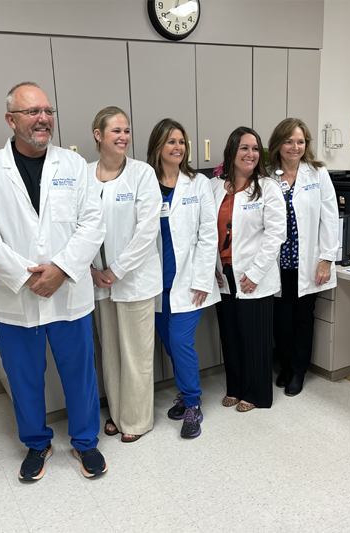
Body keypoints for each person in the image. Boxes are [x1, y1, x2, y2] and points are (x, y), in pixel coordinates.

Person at [0, 82, 107, 480]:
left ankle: (85, 443)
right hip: (16, 296)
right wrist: (21, 276)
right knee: (24, 377)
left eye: (48, 111)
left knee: (80, 373)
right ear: (11, 119)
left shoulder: (74, 166)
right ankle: (37, 444)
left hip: (68, 293)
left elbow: (93, 223)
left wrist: (61, 269)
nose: (43, 119)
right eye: (32, 112)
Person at [89, 106, 162, 443]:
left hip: (132, 280)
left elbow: (147, 230)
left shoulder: (142, 174)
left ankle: (137, 420)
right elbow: (79, 228)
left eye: (127, 130)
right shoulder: (85, 175)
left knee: (135, 354)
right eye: (116, 130)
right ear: (98, 135)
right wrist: (91, 270)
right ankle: (118, 414)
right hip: (98, 283)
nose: (123, 137)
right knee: (111, 353)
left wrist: (116, 270)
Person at [147, 119, 220, 438]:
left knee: (180, 341)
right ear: (158, 147)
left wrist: (204, 279)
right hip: (154, 281)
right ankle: (184, 392)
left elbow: (209, 233)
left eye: (181, 141)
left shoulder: (197, 183)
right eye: (170, 141)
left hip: (190, 279)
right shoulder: (144, 180)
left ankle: (193, 403)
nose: (177, 147)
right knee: (170, 344)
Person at [212, 127, 286, 412]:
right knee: (230, 334)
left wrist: (255, 274)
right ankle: (235, 386)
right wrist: (211, 268)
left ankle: (255, 393)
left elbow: (275, 234)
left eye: (255, 149)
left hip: (253, 275)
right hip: (224, 273)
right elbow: (207, 231)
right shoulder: (215, 186)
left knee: (254, 335)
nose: (251, 154)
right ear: (232, 151)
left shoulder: (267, 187)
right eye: (244, 147)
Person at [268, 118, 338, 396]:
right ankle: (284, 364)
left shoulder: (318, 174)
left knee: (303, 319)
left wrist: (326, 259)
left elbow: (330, 217)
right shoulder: (268, 176)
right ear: (278, 144)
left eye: (300, 141)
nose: (294, 147)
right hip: (278, 263)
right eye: (288, 141)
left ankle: (298, 371)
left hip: (308, 263)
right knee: (281, 320)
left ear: (305, 144)